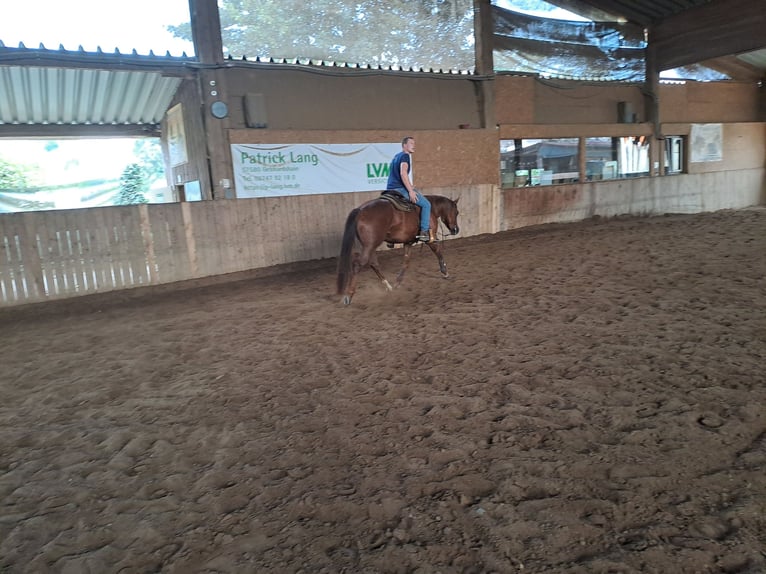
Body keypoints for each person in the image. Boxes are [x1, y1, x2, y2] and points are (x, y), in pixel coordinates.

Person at [386, 136, 435, 243]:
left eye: (414, 143)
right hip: (399, 189)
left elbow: (396, 176)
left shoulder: (396, 156)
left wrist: (410, 186)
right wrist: (410, 191)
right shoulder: (405, 156)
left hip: (390, 189)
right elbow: (403, 173)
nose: (414, 145)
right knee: (426, 204)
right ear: (404, 145)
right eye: (411, 143)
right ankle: (424, 232)